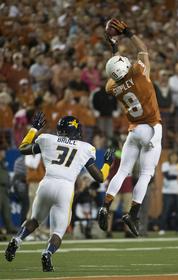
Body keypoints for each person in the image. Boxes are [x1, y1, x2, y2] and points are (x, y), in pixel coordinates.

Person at [5, 112, 114, 272]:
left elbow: (22, 148)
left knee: (34, 220)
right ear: (76, 131)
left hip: (46, 183)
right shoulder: (85, 148)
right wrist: (107, 164)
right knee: (58, 231)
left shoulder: (47, 139)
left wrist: (34, 129)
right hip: (65, 188)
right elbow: (100, 177)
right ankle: (47, 253)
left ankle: (18, 239)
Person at [98, 18, 162, 237]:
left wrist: (113, 45)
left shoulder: (111, 87)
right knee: (145, 174)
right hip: (151, 128)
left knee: (123, 171)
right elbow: (143, 49)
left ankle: (105, 205)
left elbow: (116, 68)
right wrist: (128, 32)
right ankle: (132, 213)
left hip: (133, 131)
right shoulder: (139, 73)